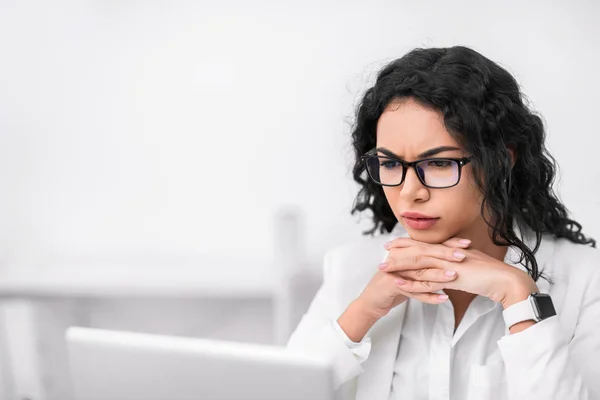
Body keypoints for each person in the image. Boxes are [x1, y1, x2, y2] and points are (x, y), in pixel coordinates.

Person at [285, 46, 600, 400]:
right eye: (389, 164)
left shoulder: (586, 280)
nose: (409, 192)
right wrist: (362, 313)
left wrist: (520, 298)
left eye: (438, 164)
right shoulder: (351, 269)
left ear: (502, 160)